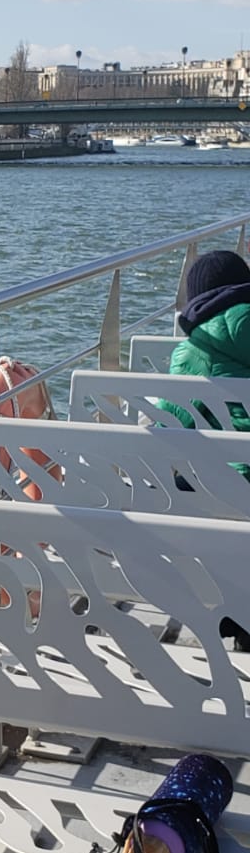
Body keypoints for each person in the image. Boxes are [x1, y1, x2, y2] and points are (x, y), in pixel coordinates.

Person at [162, 247, 250, 649]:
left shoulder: (193, 351)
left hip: (221, 496)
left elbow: (167, 426)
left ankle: (233, 611)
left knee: (191, 482)